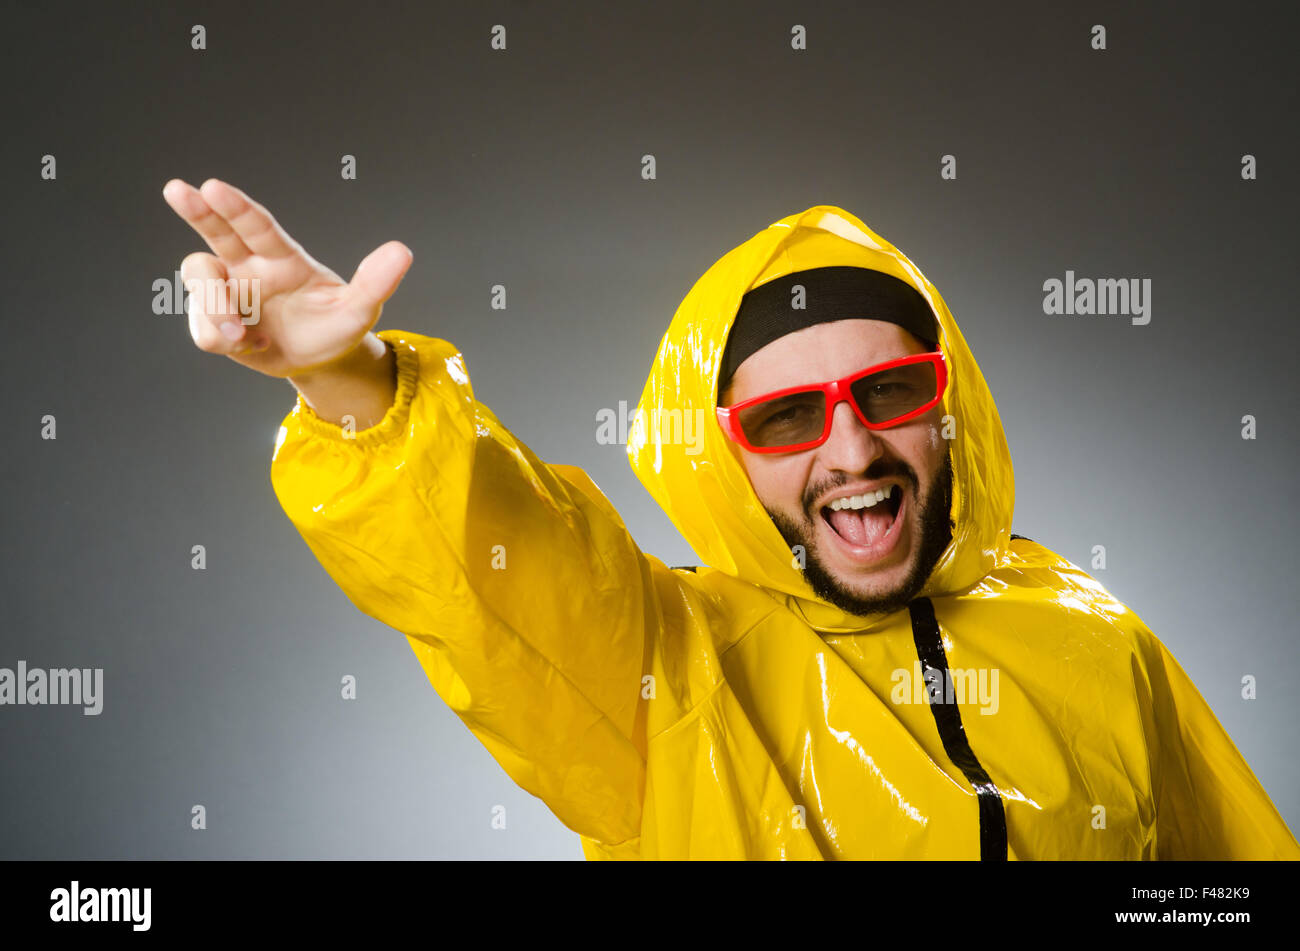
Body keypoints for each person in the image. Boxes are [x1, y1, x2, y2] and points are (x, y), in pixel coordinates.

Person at [163, 178, 1300, 860]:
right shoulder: (662, 670)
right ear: (723, 458)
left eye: (891, 393)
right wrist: (355, 382)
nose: (852, 453)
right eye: (788, 417)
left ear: (950, 403)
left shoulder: (1092, 634)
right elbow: (493, 562)